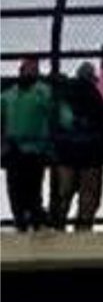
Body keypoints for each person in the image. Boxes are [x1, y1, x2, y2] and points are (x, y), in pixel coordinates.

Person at [52, 62, 103, 231]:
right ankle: (83, 228)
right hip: (92, 152)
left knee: (64, 192)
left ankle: (58, 224)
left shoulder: (65, 93)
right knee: (89, 195)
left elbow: (58, 120)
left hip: (67, 151)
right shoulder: (100, 94)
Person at [1, 58, 55, 231]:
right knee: (15, 190)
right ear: (21, 70)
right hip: (14, 150)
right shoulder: (9, 95)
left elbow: (55, 111)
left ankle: (35, 220)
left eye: (35, 68)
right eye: (29, 67)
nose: (32, 71)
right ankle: (22, 222)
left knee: (33, 189)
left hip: (35, 150)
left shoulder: (43, 92)